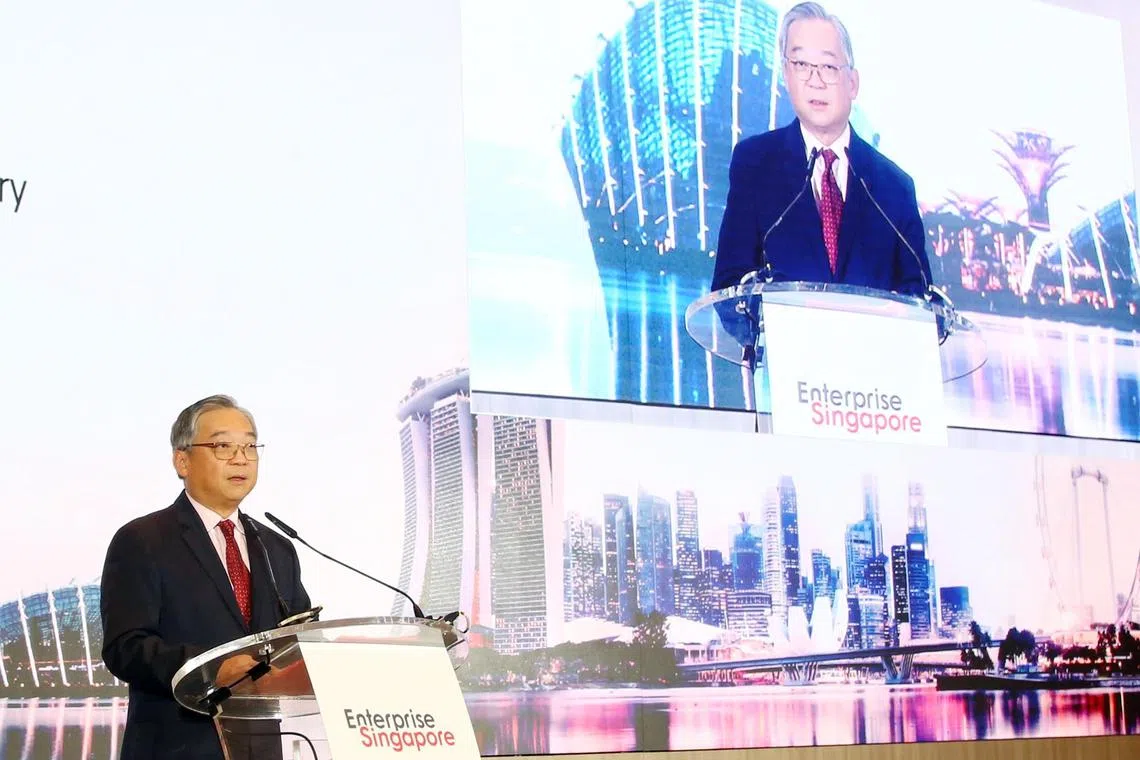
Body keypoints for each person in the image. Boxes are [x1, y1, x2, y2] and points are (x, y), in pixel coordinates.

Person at [101, 395, 312, 759]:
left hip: (260, 747)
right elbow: (125, 647)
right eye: (222, 446)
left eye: (249, 446)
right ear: (182, 460)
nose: (241, 457)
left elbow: (297, 638)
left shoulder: (277, 547)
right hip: (176, 746)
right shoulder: (142, 539)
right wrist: (212, 669)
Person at [711, 2, 933, 297]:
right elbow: (728, 286)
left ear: (852, 83)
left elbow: (921, 300)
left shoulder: (894, 187)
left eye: (828, 66)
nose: (815, 81)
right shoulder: (755, 165)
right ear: (786, 76)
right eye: (801, 65)